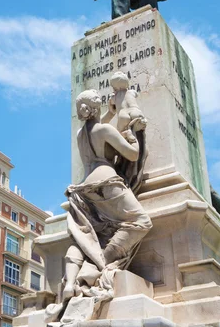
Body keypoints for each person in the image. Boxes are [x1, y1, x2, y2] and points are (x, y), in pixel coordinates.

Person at [62, 89, 152, 305]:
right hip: (107, 183)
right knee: (141, 222)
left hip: (84, 189)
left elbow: (97, 131)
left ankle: (70, 282)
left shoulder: (80, 134)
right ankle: (100, 263)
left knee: (86, 236)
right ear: (96, 107)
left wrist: (110, 114)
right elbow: (132, 154)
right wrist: (132, 133)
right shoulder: (105, 130)